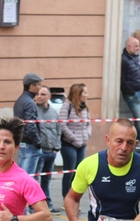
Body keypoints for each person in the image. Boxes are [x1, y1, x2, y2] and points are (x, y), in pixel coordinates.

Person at [59, 83, 92, 199]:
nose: (87, 95)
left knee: (78, 173)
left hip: (82, 144)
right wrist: (73, 138)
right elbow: (62, 125)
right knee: (69, 173)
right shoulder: (67, 106)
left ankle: (74, 198)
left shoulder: (85, 107)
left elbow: (88, 124)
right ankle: (66, 198)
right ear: (78, 94)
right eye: (85, 92)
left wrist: (87, 135)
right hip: (69, 145)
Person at [34, 85, 62, 213]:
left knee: (47, 180)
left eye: (43, 94)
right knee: (35, 180)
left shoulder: (53, 113)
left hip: (51, 151)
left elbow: (58, 131)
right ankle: (35, 206)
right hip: (39, 151)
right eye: (38, 94)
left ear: (49, 97)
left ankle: (48, 204)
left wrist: (56, 148)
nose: (40, 96)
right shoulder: (34, 111)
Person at [13, 72, 44, 176]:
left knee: (21, 176)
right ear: (32, 86)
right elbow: (30, 126)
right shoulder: (29, 103)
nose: (40, 87)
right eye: (39, 84)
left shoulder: (20, 100)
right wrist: (38, 142)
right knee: (28, 179)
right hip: (30, 145)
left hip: (22, 143)